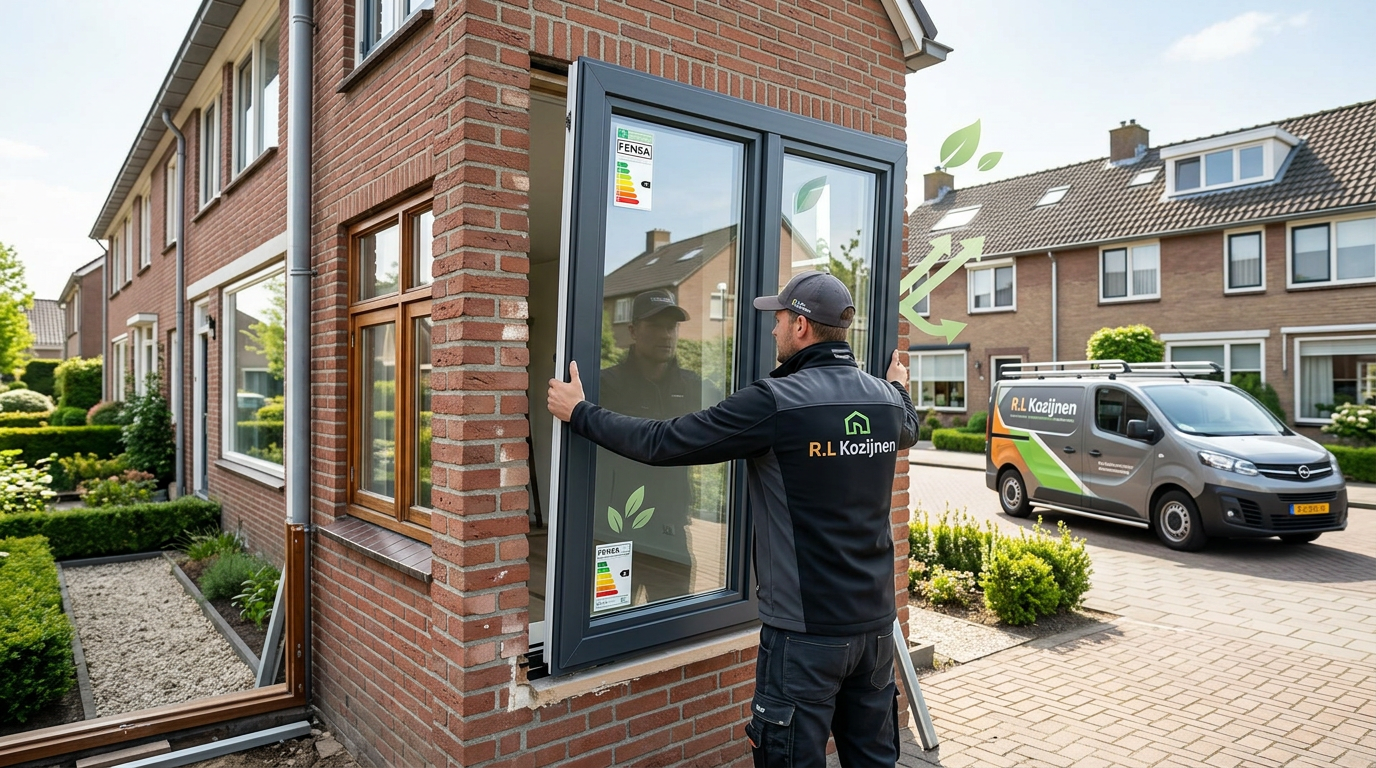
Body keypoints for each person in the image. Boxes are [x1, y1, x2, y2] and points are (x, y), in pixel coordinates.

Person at [549, 271, 919, 767]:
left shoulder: (775, 402)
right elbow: (909, 424)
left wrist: (580, 414)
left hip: (804, 637)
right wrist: (898, 385)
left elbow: (664, 442)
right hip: (874, 629)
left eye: (780, 319)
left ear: (802, 326)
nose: (772, 329)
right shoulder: (884, 400)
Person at [597, 289, 718, 603]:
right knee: (606, 621)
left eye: (672, 327)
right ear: (634, 330)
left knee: (672, 621)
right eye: (656, 325)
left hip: (669, 531)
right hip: (614, 528)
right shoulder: (606, 386)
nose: (666, 334)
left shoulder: (696, 388)